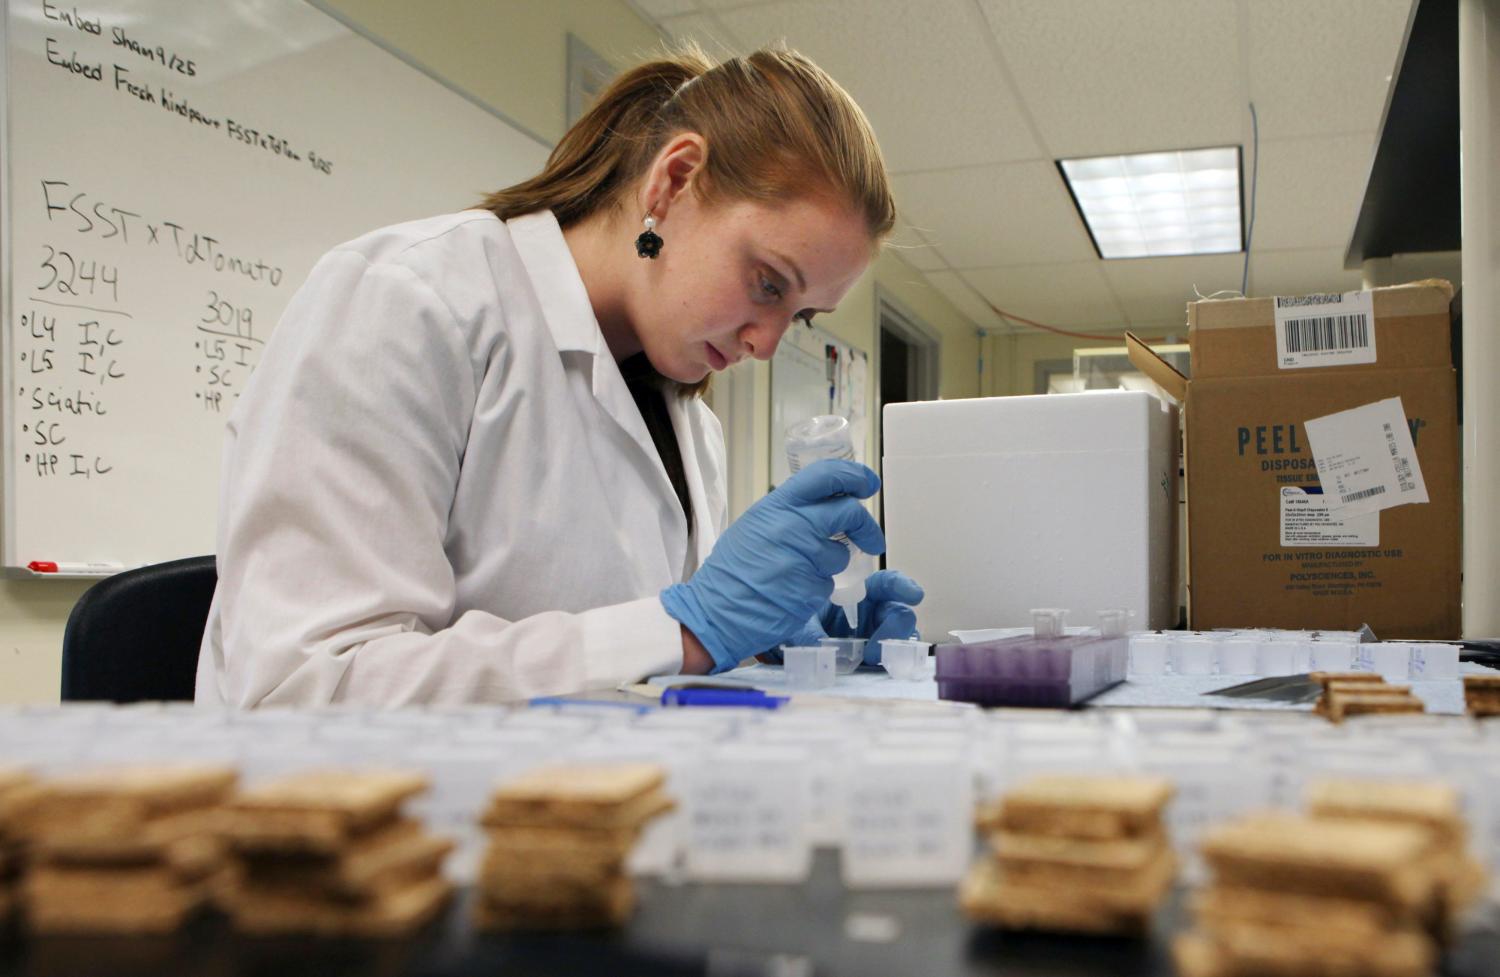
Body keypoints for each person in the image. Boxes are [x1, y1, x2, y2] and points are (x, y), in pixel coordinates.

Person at [195, 44, 924, 707]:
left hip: (575, 813)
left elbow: (634, 657)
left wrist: (768, 634)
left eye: (799, 315)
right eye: (769, 282)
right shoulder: (409, 302)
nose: (766, 345)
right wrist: (686, 630)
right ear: (673, 182)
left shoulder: (690, 423)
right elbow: (303, 689)